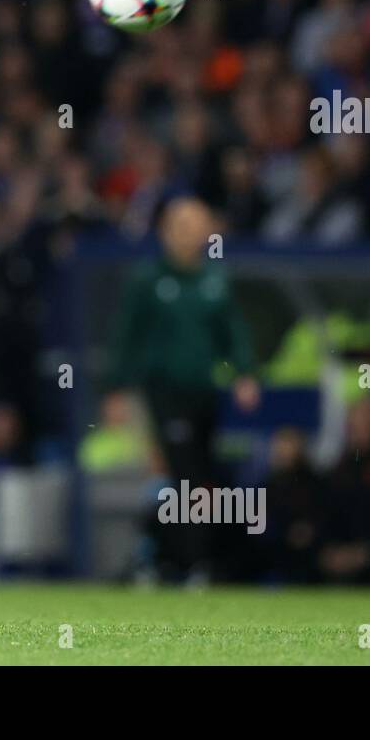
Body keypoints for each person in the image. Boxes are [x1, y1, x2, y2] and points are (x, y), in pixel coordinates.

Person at [107, 196, 259, 582]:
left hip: (205, 395)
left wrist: (244, 374)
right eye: (182, 226)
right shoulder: (149, 279)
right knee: (187, 476)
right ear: (165, 232)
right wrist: (116, 389)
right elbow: (127, 337)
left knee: (199, 477)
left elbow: (233, 333)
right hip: (164, 393)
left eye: (197, 226)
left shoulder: (214, 281)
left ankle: (164, 558)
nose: (190, 235)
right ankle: (193, 564)